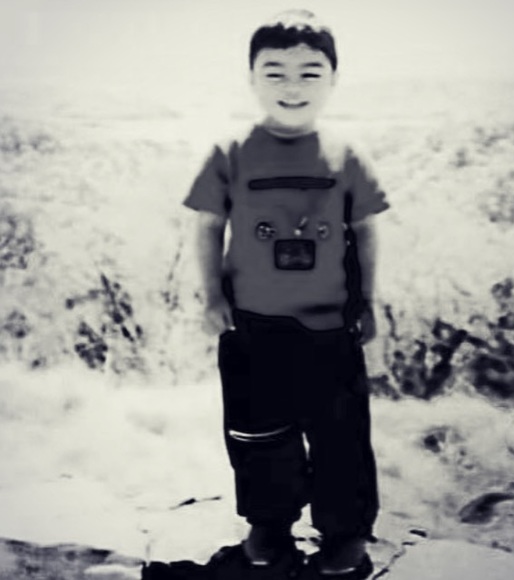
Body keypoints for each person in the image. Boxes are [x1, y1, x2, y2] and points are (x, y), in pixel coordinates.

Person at [183, 9, 389, 580]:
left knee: (341, 436)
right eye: (275, 73)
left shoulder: (347, 153)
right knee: (257, 434)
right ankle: (269, 527)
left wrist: (369, 302)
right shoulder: (229, 152)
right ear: (251, 78)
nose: (292, 86)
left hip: (330, 328)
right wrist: (210, 297)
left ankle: (345, 537)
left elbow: (367, 230)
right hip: (251, 325)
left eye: (309, 73)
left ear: (333, 79)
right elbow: (207, 227)